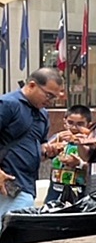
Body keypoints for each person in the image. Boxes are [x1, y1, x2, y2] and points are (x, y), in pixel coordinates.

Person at [0, 68, 65, 214]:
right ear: (32, 85)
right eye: (48, 95)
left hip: (26, 184)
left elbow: (38, 148)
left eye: (54, 98)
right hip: (6, 183)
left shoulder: (43, 115)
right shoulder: (8, 104)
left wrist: (48, 151)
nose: (50, 101)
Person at [42, 104, 92, 204]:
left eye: (80, 124)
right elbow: (42, 155)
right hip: (56, 190)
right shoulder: (57, 138)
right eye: (70, 123)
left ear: (89, 125)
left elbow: (95, 167)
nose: (74, 128)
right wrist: (53, 146)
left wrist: (79, 163)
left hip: (80, 191)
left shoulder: (91, 142)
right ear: (65, 122)